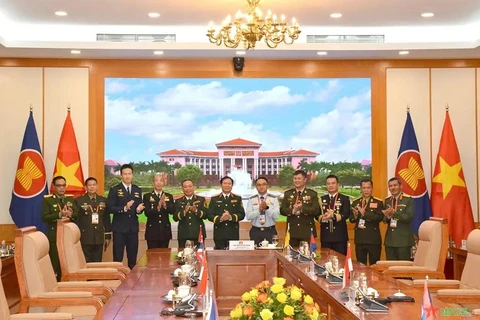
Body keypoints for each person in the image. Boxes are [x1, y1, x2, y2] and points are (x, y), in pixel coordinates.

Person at [107, 164, 144, 269]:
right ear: (121, 175)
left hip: (133, 229)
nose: (127, 176)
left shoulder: (137, 190)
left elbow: (139, 208)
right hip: (119, 229)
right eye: (125, 174)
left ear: (132, 175)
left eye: (129, 174)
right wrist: (124, 208)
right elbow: (110, 208)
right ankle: (117, 281)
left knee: (132, 258)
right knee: (118, 257)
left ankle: (132, 282)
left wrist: (138, 210)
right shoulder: (114, 190)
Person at [42, 175, 78, 281]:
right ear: (54, 186)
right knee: (55, 263)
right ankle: (55, 285)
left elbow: (76, 214)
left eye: (63, 185)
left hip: (67, 237)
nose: (62, 188)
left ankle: (66, 284)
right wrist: (59, 214)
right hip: (54, 237)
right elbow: (44, 217)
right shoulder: (48, 200)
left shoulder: (70, 198)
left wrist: (71, 214)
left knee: (67, 263)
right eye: (59, 186)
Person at [74, 177, 112, 263]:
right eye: (89, 185)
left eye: (94, 185)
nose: (92, 187)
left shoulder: (103, 200)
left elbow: (106, 219)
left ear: (97, 186)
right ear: (86, 187)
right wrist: (77, 236)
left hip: (99, 237)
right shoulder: (79, 201)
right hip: (85, 237)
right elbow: (77, 220)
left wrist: (107, 236)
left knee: (97, 262)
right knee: (86, 262)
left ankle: (96, 277)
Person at [280, 170, 320, 248]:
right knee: (291, 257)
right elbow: (282, 210)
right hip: (292, 232)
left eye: (299, 178)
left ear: (305, 180)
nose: (296, 181)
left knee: (307, 257)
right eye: (295, 178)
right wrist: (293, 211)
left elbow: (316, 210)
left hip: (307, 232)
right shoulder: (288, 194)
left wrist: (302, 209)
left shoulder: (312, 194)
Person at [349, 179, 383, 265]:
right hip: (360, 239)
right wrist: (356, 215)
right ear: (360, 189)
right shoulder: (355, 202)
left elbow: (379, 217)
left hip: (373, 239)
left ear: (372, 188)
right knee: (360, 266)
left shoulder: (378, 202)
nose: (366, 190)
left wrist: (364, 214)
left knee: (374, 266)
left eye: (368, 188)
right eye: (364, 188)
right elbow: (351, 219)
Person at [207, 176, 246, 249]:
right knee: (219, 257)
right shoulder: (214, 199)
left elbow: (242, 214)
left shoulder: (237, 198)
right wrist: (220, 218)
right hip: (219, 233)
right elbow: (209, 215)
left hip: (233, 233)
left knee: (233, 258)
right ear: (221, 185)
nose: (227, 185)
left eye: (229, 183)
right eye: (225, 183)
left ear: (232, 185)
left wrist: (231, 217)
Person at [382, 177, 414, 260]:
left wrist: (394, 213)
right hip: (390, 241)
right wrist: (387, 217)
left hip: (403, 241)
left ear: (401, 186)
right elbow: (384, 220)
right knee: (390, 268)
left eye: (395, 185)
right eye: (390, 186)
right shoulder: (388, 200)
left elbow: (409, 217)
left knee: (403, 269)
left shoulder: (408, 200)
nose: (393, 188)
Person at [319, 175, 350, 255]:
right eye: (328, 183)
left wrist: (333, 216)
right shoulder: (321, 199)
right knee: (325, 262)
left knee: (341, 262)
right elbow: (317, 214)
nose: (331, 185)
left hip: (340, 236)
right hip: (326, 236)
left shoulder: (344, 199)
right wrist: (324, 217)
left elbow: (346, 214)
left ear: (338, 184)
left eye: (333, 183)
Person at [143, 174, 175, 249]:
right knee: (152, 257)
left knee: (165, 256)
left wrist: (165, 206)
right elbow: (147, 213)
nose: (159, 183)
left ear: (164, 183)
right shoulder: (147, 196)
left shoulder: (168, 196)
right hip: (152, 232)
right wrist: (158, 207)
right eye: (156, 181)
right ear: (153, 183)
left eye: (161, 181)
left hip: (165, 231)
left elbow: (172, 211)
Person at [246, 177, 280, 245]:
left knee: (271, 254)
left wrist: (267, 208)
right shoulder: (251, 199)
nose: (261, 186)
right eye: (259, 185)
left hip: (270, 231)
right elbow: (248, 216)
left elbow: (276, 216)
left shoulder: (273, 198)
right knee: (255, 254)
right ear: (256, 187)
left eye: (264, 184)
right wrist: (258, 210)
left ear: (267, 186)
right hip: (256, 231)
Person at [173, 179, 207, 248]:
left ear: (194, 187)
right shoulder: (178, 201)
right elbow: (175, 217)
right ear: (182, 189)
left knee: (199, 256)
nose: (188, 189)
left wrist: (196, 211)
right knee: (184, 255)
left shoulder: (201, 199)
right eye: (185, 187)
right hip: (183, 234)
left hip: (198, 234)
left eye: (190, 186)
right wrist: (184, 212)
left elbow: (206, 215)